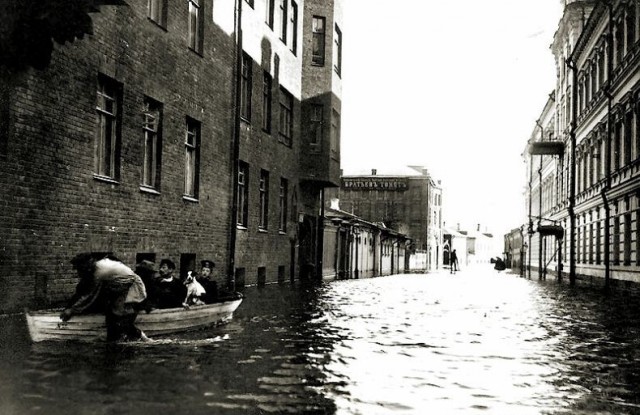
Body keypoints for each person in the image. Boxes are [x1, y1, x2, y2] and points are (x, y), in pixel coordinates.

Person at [60, 253, 151, 342]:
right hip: (119, 284)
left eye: (79, 269)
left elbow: (90, 296)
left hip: (129, 285)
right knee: (112, 313)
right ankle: (120, 336)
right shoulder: (97, 267)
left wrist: (71, 310)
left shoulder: (99, 273)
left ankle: (136, 335)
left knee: (116, 313)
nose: (79, 273)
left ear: (86, 266)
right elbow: (83, 292)